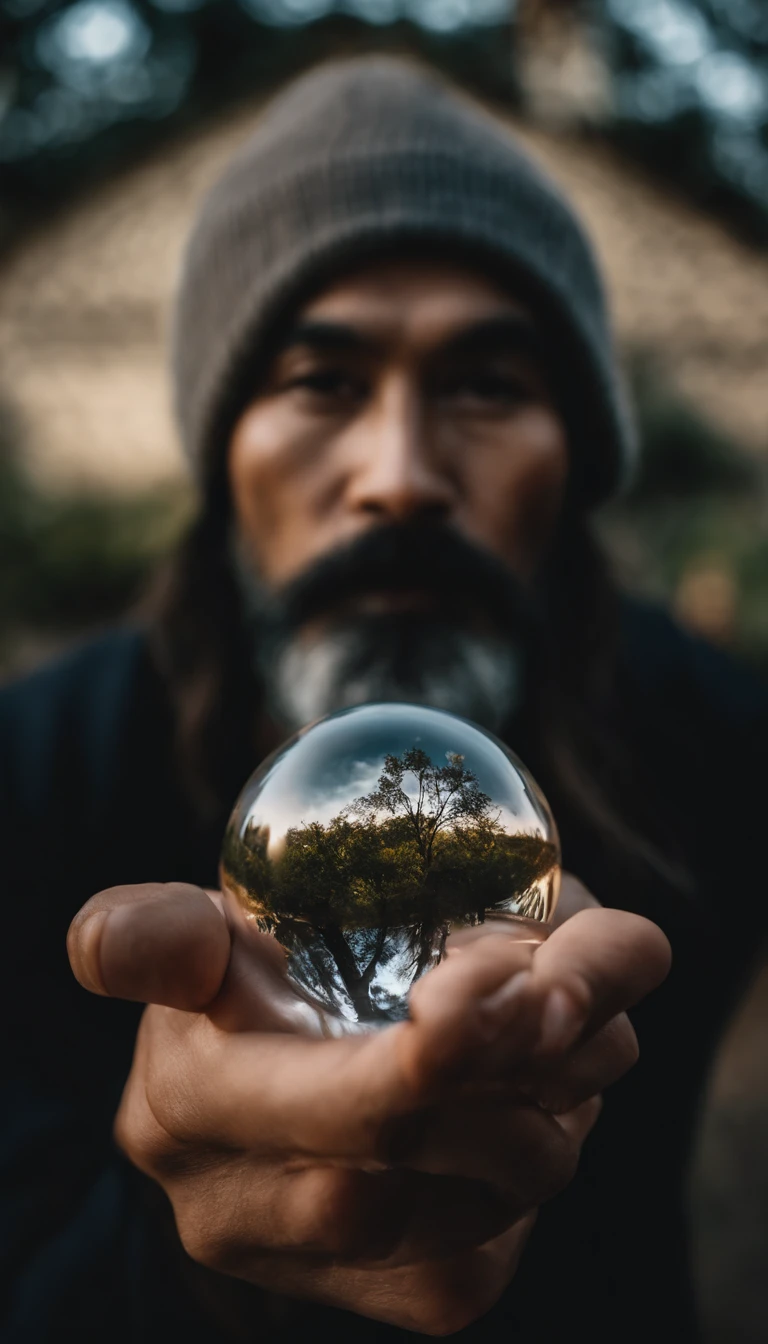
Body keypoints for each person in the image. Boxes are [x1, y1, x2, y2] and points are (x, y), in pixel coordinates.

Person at [2, 57, 765, 1343]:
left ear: (573, 456)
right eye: (320, 382)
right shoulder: (32, 774)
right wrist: (191, 1245)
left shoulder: (723, 743)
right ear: (223, 456)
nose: (400, 475)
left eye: (486, 385)